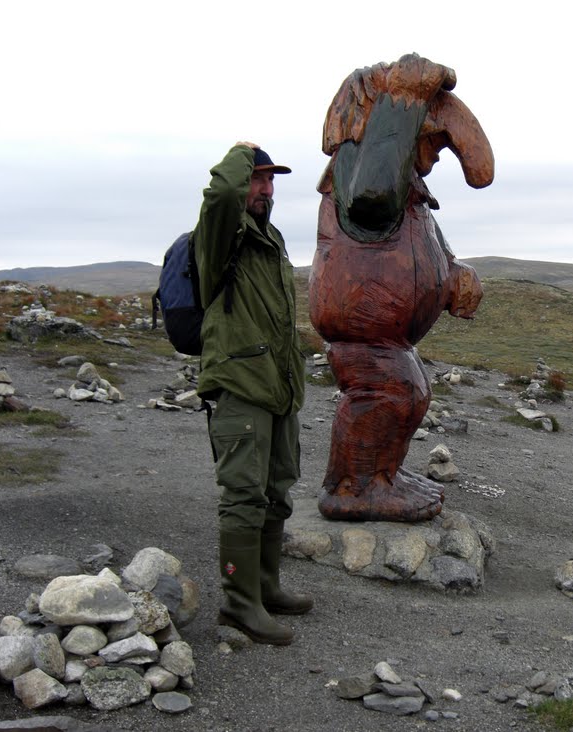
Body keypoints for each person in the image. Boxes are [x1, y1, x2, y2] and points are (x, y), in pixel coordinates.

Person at [193, 141, 311, 646]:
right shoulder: (223, 235)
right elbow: (220, 195)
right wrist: (240, 154)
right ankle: (239, 605)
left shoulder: (272, 236)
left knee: (277, 488)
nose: (264, 188)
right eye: (256, 179)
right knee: (243, 494)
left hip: (277, 387)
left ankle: (265, 586)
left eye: (269, 180)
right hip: (241, 385)